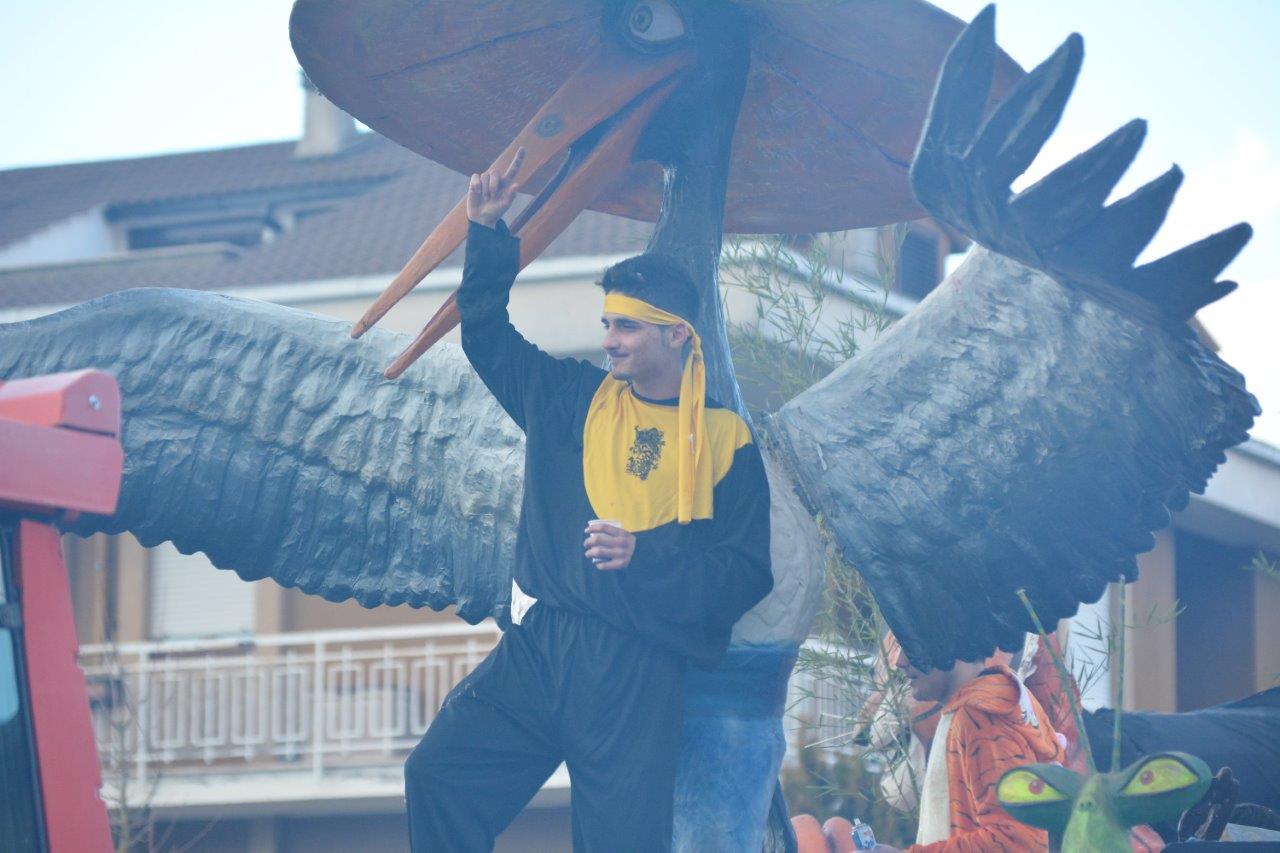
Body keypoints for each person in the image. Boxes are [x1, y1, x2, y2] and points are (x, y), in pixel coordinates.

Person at [404, 149, 774, 851]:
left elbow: (746, 574)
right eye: (606, 324)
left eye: (626, 327)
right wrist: (488, 233)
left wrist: (644, 556)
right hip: (542, 647)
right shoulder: (569, 397)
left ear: (677, 334)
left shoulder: (727, 441)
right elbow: (485, 336)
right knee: (438, 774)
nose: (609, 341)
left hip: (637, 672)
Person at [870, 643, 1065, 853]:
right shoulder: (983, 704)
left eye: (912, 643)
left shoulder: (982, 717)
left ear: (947, 637)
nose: (900, 661)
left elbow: (1013, 843)